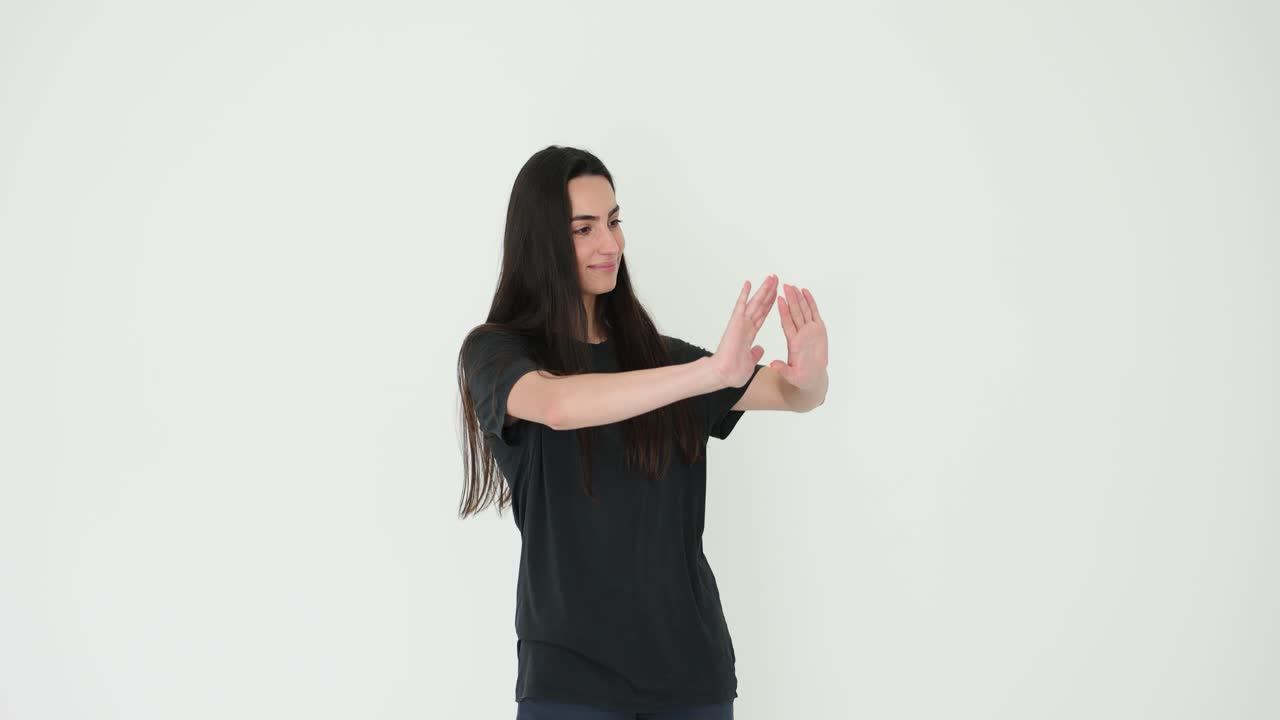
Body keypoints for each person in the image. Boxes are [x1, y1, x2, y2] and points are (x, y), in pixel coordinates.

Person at [456, 145, 829, 720]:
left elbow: (793, 396)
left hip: (692, 677)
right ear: (542, 242)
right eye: (584, 229)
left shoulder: (667, 362)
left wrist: (811, 373)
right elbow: (554, 404)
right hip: (568, 680)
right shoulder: (498, 354)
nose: (610, 244)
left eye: (613, 221)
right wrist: (708, 374)